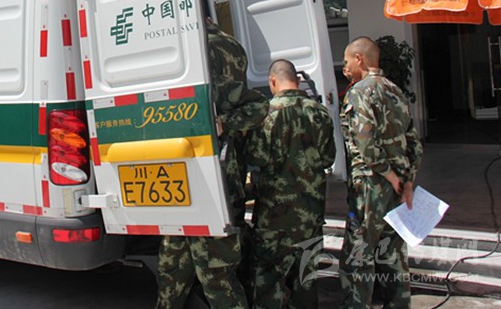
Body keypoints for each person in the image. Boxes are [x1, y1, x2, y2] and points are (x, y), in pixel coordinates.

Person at [155, 19, 268, 309]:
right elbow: (255, 105)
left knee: (207, 274)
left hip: (206, 180)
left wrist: (220, 122)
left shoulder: (186, 48)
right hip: (196, 180)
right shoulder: (230, 46)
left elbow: (257, 106)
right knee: (182, 269)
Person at [339, 36, 423, 308]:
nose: (345, 68)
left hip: (370, 186)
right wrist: (406, 182)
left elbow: (365, 143)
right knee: (394, 254)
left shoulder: (359, 92)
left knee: (359, 256)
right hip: (397, 189)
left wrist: (390, 176)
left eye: (347, 61)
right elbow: (414, 144)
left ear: (359, 59)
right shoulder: (396, 91)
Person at [246, 59, 336, 308]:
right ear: (296, 80)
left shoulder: (266, 113)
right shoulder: (319, 112)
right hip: (311, 214)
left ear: (273, 81)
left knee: (268, 281)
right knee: (306, 279)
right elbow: (329, 158)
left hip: (275, 218)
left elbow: (256, 157)